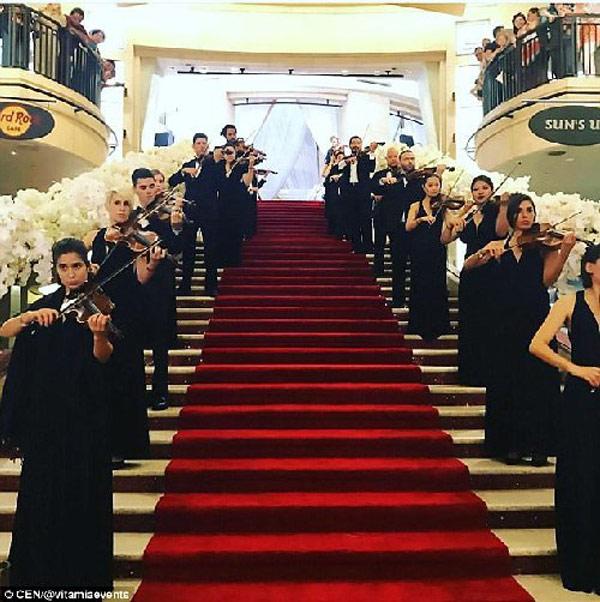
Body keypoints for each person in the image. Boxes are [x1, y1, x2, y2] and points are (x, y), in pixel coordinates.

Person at [0, 238, 113, 589]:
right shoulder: (46, 304)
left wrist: (98, 336)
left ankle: (82, 581)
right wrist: (29, 316)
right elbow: (5, 330)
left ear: (88, 268)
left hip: (84, 419)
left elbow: (105, 356)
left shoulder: (100, 304)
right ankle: (37, 578)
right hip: (45, 420)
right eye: (64, 267)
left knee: (82, 496)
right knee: (41, 498)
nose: (71, 273)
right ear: (56, 270)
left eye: (76, 266)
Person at [464, 193, 576, 466]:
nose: (526, 215)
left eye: (530, 210)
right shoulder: (498, 244)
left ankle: (538, 445)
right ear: (511, 214)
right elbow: (467, 268)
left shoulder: (543, 246)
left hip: (534, 320)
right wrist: (483, 254)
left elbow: (546, 281)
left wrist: (565, 251)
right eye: (521, 211)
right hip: (503, 322)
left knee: (537, 383)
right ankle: (510, 444)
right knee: (508, 380)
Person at [530, 244, 600, 594]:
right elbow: (537, 344)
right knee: (580, 476)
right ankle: (579, 564)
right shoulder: (570, 302)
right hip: (580, 400)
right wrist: (575, 369)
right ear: (590, 267)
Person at [84, 189, 164, 467]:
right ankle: (99, 444)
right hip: (98, 311)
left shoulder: (137, 239)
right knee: (100, 379)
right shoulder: (94, 237)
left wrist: (153, 262)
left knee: (126, 376)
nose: (121, 208)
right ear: (108, 206)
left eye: (126, 204)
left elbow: (141, 277)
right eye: (116, 203)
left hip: (128, 313)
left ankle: (124, 445)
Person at [443, 176, 509, 386]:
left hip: (492, 271)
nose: (480, 192)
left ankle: (490, 372)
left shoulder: (497, 211)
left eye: (485, 188)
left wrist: (504, 206)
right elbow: (445, 239)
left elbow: (501, 232)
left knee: (491, 321)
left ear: (491, 190)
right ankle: (470, 373)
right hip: (470, 271)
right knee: (469, 322)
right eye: (476, 189)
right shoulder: (470, 215)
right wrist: (455, 223)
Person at [132, 168, 185, 411]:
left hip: (160, 285)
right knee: (134, 340)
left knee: (159, 343)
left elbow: (176, 247)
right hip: (134, 287)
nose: (148, 191)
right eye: (143, 188)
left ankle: (160, 391)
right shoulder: (130, 217)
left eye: (151, 186)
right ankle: (136, 391)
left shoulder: (165, 216)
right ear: (135, 189)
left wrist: (176, 227)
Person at [168, 133, 220, 296]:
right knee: (188, 249)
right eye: (199, 143)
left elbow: (221, 181)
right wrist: (183, 172)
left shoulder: (214, 164)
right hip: (191, 211)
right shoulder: (188, 165)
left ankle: (211, 285)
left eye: (204, 143)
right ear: (193, 146)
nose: (202, 146)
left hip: (209, 212)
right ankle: (185, 285)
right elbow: (171, 181)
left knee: (211, 249)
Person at [405, 173, 451, 340]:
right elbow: (408, 226)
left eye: (437, 185)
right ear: (424, 187)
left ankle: (439, 325)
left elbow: (451, 222)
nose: (434, 188)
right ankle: (418, 324)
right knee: (420, 284)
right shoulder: (415, 205)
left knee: (437, 285)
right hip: (419, 250)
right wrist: (421, 219)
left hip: (437, 250)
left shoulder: (442, 206)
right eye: (430, 185)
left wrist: (465, 210)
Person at [371, 147, 418, 307]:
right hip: (396, 226)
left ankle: (415, 300)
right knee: (398, 265)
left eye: (412, 159)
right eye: (406, 159)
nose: (410, 162)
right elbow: (376, 188)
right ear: (400, 161)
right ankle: (398, 300)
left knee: (415, 266)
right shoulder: (391, 179)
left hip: (415, 227)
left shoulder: (419, 180)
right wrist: (385, 182)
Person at [216, 142, 256, 267]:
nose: (229, 155)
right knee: (222, 232)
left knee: (236, 232)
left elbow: (247, 182)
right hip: (222, 204)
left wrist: (250, 165)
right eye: (226, 152)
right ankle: (222, 259)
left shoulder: (240, 167)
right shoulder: (218, 167)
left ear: (235, 153)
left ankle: (234, 260)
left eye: (231, 152)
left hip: (237, 204)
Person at [338, 136, 377, 253]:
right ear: (350, 145)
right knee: (352, 219)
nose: (356, 145)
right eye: (353, 143)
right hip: (349, 192)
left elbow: (371, 168)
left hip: (363, 192)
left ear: (361, 145)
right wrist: (347, 161)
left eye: (358, 143)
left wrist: (372, 152)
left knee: (366, 219)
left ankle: (368, 246)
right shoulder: (345, 159)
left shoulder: (366, 157)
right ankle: (356, 246)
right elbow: (339, 167)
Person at [322, 148, 344, 236]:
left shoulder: (344, 166)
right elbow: (325, 174)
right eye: (338, 157)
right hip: (331, 191)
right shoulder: (331, 165)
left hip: (340, 191)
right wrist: (331, 163)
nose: (340, 159)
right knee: (331, 210)